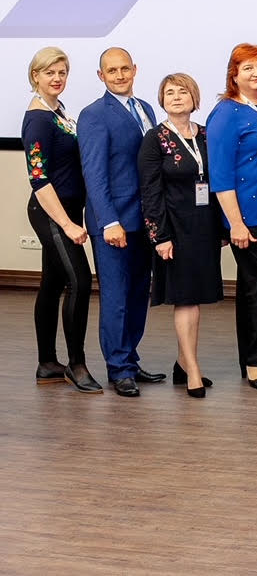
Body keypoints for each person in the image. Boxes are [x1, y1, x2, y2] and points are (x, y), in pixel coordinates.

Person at [79, 47, 163, 397]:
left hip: (144, 220)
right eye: (111, 71)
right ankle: (119, 369)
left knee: (138, 293)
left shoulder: (145, 108)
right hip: (114, 222)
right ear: (101, 76)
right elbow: (94, 174)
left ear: (135, 70)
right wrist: (109, 221)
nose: (119, 75)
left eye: (124, 68)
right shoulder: (93, 115)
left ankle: (130, 357)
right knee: (115, 297)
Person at [207, 43, 257, 390]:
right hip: (248, 216)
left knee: (256, 286)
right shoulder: (226, 113)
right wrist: (236, 223)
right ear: (234, 74)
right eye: (248, 68)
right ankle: (255, 363)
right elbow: (221, 175)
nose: (256, 73)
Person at [138, 74, 225, 399]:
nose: (176, 97)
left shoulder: (206, 134)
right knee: (186, 300)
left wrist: (222, 228)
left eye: (183, 91)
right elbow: (150, 192)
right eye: (170, 92)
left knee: (195, 299)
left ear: (194, 98)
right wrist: (159, 236)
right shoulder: (154, 138)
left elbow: (217, 184)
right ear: (162, 100)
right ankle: (193, 369)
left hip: (204, 228)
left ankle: (182, 363)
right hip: (173, 231)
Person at [23, 48, 100, 393]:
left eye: (62, 72)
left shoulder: (58, 111)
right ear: (35, 76)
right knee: (79, 281)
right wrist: (67, 224)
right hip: (51, 212)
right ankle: (76, 365)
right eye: (49, 72)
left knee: (52, 284)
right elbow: (39, 180)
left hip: (68, 208)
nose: (57, 78)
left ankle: (46, 364)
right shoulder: (38, 119)